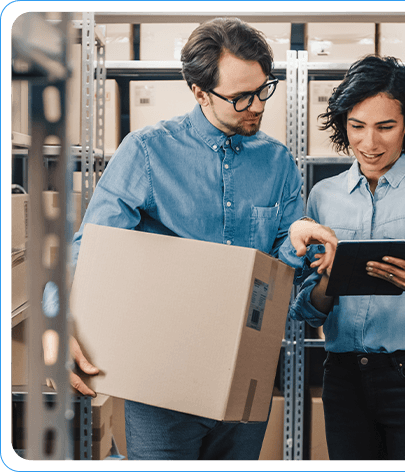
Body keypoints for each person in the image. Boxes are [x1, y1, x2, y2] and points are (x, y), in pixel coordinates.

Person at [63, 18, 337, 461]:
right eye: (240, 97)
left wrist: (298, 240)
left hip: (245, 372)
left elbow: (280, 270)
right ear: (199, 92)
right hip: (161, 377)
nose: (256, 106)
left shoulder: (279, 163)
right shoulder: (148, 152)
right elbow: (90, 251)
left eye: (263, 89)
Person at [279, 55, 405, 461]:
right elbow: (311, 312)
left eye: (385, 127)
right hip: (342, 377)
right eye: (357, 127)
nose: (369, 143)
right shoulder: (324, 195)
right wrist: (326, 280)